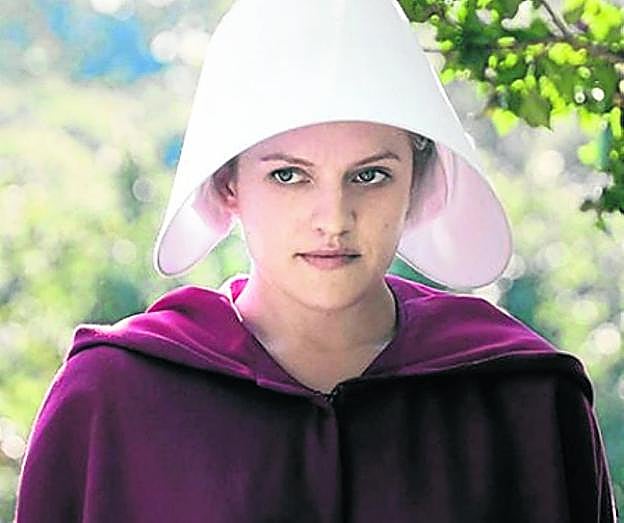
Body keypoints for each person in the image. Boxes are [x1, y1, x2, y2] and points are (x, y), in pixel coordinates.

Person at [14, 0, 618, 521]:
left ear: (417, 181)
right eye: (288, 175)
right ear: (228, 184)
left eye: (370, 175)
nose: (333, 218)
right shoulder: (111, 398)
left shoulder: (525, 398)